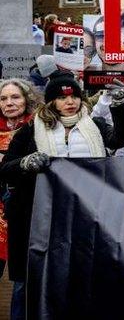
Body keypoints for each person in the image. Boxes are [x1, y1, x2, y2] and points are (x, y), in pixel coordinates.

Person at [0, 73, 124, 320]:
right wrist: (26, 163)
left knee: (78, 280)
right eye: (61, 98)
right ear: (51, 102)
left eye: (73, 97)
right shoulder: (31, 130)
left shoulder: (95, 126)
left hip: (83, 217)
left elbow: (121, 138)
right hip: (36, 218)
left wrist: (119, 104)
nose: (69, 102)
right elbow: (5, 168)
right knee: (28, 285)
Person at [0, 80, 39, 279]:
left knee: (23, 276)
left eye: (15, 97)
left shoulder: (39, 127)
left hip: (24, 208)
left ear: (27, 99)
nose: (9, 103)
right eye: (3, 98)